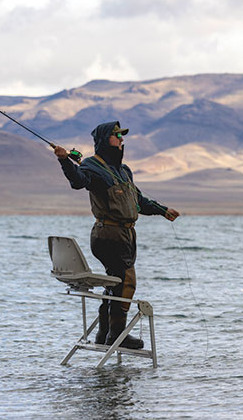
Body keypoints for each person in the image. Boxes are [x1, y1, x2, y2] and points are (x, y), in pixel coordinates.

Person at [53, 121, 180, 349]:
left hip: (126, 235)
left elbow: (139, 201)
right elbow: (78, 181)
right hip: (108, 234)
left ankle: (104, 333)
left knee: (116, 283)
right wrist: (64, 160)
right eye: (116, 136)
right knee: (126, 282)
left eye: (122, 136)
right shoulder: (92, 166)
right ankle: (117, 336)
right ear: (104, 140)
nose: (121, 140)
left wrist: (163, 211)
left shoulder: (123, 171)